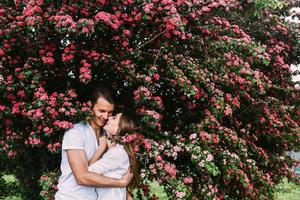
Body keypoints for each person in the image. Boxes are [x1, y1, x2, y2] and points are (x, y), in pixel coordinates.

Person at [55, 87, 133, 200]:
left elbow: (113, 172)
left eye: (110, 112)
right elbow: (82, 177)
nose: (106, 117)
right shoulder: (76, 132)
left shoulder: (108, 135)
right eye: (102, 111)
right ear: (90, 106)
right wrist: (121, 183)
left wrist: (127, 196)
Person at [88, 112, 139, 200]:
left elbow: (87, 173)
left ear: (118, 129)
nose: (110, 117)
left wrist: (101, 148)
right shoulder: (116, 151)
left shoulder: (117, 153)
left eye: (114, 118)